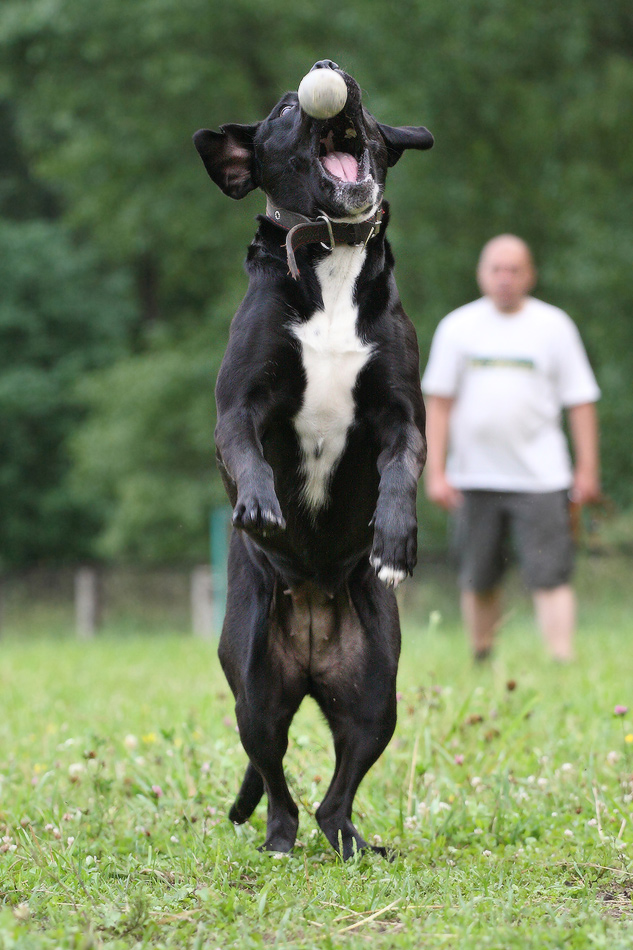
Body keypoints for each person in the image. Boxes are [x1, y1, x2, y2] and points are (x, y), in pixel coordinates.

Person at [422, 234, 601, 662]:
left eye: (514, 269)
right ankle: (481, 655)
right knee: (478, 575)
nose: (505, 278)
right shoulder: (457, 327)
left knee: (551, 573)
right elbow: (439, 405)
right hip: (473, 476)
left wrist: (587, 470)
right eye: (496, 269)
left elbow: (580, 402)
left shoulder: (555, 326)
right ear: (481, 273)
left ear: (530, 275)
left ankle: (562, 657)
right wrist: (436, 472)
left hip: (542, 476)